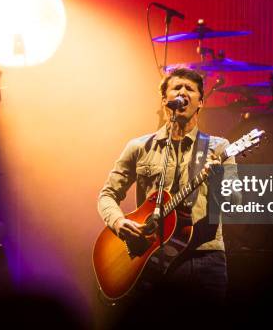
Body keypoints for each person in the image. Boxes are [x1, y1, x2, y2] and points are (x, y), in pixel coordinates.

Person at [97, 67, 239, 302]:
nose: (183, 92)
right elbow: (107, 194)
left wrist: (216, 180)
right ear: (165, 100)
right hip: (149, 257)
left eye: (190, 89)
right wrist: (118, 221)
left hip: (204, 258)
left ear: (200, 102)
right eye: (176, 88)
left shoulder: (219, 148)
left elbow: (235, 203)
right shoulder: (139, 147)